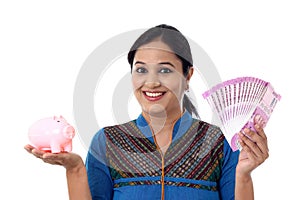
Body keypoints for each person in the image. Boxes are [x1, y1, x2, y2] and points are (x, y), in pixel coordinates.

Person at [25, 24, 269, 200]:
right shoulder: (108, 142)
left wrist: (244, 175)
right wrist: (75, 169)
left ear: (188, 76)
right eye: (141, 70)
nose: (151, 83)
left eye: (165, 71)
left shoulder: (214, 141)